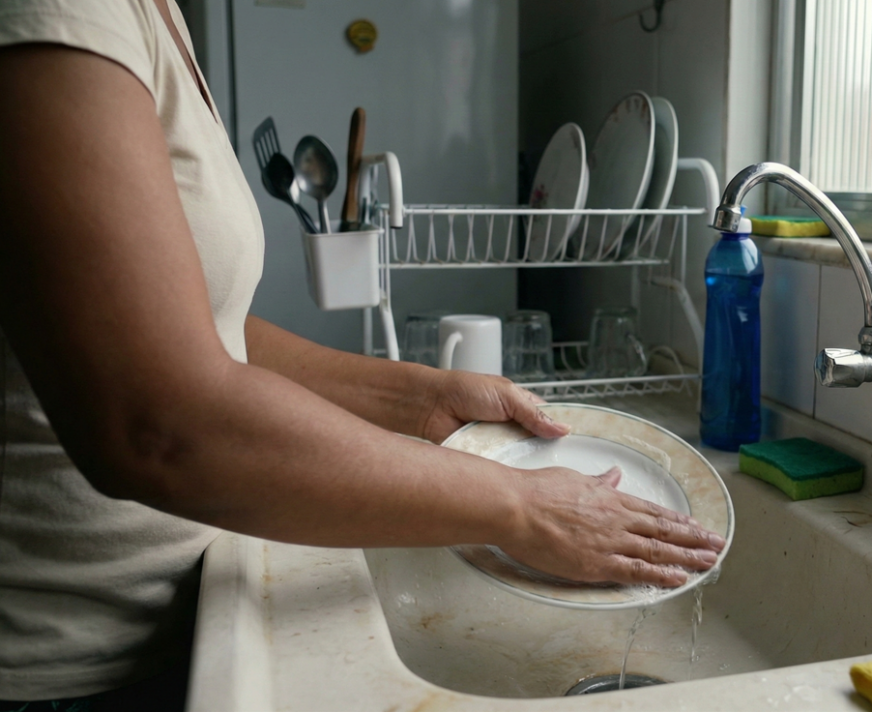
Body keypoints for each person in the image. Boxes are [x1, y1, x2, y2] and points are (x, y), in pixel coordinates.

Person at [0, 0, 725, 708]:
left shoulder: (150, 14)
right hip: (77, 666)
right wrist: (521, 506)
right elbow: (156, 420)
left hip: (186, 612)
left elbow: (211, 332)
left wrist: (419, 397)